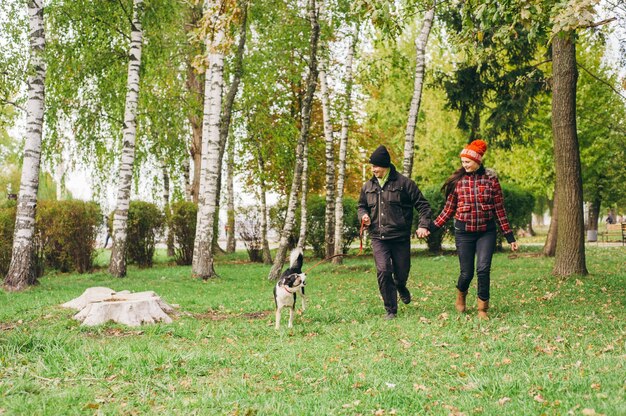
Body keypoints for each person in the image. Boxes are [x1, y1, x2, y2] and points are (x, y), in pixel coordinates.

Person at [431, 140, 518, 320]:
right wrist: (431, 227)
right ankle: (461, 294)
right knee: (467, 273)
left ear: (477, 160)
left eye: (467, 162)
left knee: (483, 269)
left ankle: (482, 309)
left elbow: (499, 209)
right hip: (464, 233)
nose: (464, 165)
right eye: (462, 162)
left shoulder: (491, 180)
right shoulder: (459, 181)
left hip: (486, 231)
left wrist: (510, 236)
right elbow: (448, 210)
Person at [357, 145, 432, 320]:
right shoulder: (367, 186)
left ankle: (401, 285)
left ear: (387, 166)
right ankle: (391, 309)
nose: (374, 169)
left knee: (401, 273)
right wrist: (364, 215)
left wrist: (423, 225)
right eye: (372, 166)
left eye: (378, 166)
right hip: (378, 237)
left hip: (400, 237)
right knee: (383, 271)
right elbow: (361, 206)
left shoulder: (405, 184)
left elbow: (423, 205)